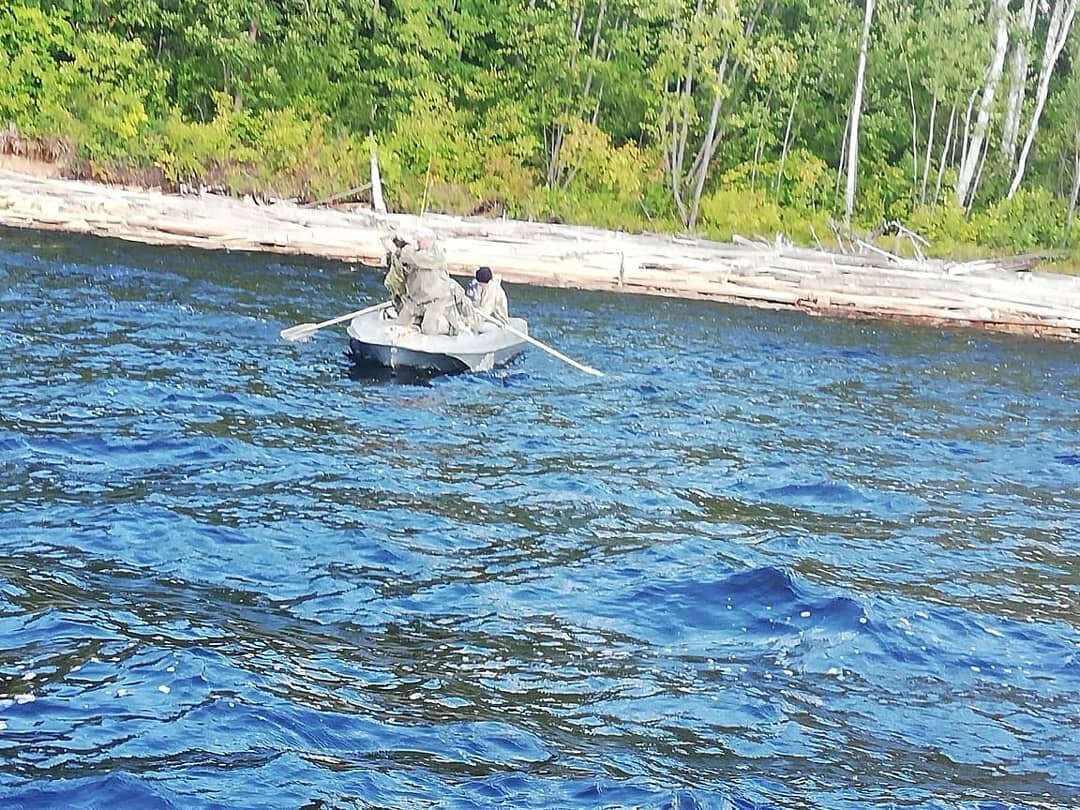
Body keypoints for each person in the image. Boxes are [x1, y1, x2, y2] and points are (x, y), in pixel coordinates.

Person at [382, 229, 475, 336]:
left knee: (429, 329)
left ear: (429, 240)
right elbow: (404, 266)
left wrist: (397, 251)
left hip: (435, 301)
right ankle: (418, 320)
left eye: (419, 241)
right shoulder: (414, 252)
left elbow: (418, 260)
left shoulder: (437, 255)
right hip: (415, 300)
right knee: (400, 324)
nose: (417, 243)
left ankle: (451, 326)